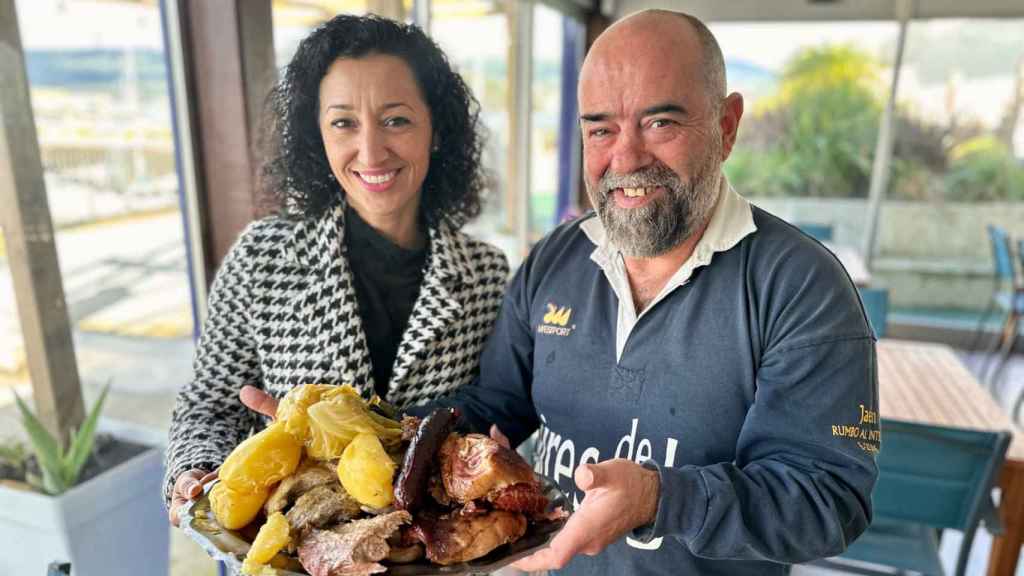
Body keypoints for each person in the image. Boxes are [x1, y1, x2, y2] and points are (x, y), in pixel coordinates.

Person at [239, 9, 880, 575]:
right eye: (600, 128)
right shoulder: (557, 259)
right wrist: (350, 437)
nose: (625, 158)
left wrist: (660, 498)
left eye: (660, 122)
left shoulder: (802, 287)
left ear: (727, 124)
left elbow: (828, 501)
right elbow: (495, 404)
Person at [164, 14, 510, 526]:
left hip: (434, 553)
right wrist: (195, 471)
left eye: (396, 120)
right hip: (293, 545)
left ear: (435, 130)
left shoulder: (486, 275)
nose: (370, 151)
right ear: (317, 136)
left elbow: (491, 413)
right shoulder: (263, 256)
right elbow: (210, 404)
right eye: (344, 122)